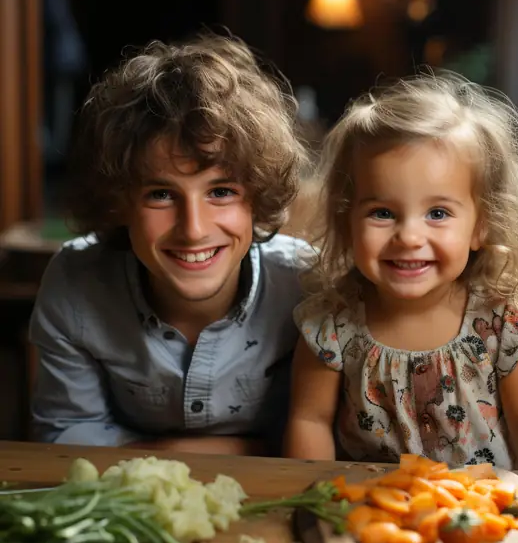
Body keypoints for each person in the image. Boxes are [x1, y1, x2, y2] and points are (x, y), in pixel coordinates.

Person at [29, 33, 310, 456]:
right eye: (161, 194)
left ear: (258, 195)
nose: (193, 229)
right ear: (120, 201)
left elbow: (335, 436)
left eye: (220, 192)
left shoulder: (307, 286)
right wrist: (232, 451)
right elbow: (64, 437)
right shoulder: (76, 284)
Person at [283, 71, 518, 471]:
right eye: (382, 213)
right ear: (347, 220)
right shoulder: (331, 325)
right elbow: (308, 420)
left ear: (481, 225)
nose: (409, 237)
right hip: (369, 517)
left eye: (437, 213)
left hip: (484, 516)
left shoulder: (503, 325)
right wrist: (312, 503)